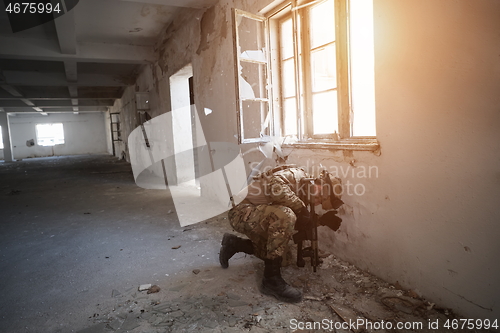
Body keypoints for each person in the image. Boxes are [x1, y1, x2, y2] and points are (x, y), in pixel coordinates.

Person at [219, 165, 343, 303]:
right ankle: (270, 281)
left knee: (283, 258)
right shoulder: (296, 175)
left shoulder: (305, 191)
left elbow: (298, 223)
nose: (318, 201)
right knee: (285, 215)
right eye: (320, 198)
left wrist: (320, 221)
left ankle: (235, 244)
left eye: (320, 202)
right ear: (320, 185)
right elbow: (275, 186)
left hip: (258, 215)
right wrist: (301, 209)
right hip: (240, 211)